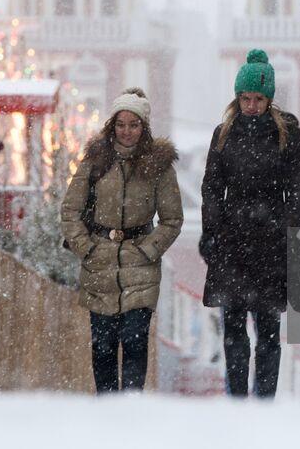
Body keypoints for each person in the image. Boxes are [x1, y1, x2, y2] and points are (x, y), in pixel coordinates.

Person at [199, 48, 300, 398]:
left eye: (258, 98)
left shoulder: (288, 135)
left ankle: (264, 401)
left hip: (271, 246)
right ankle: (236, 398)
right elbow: (212, 188)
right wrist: (212, 233)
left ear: (269, 98)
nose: (251, 105)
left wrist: (284, 229)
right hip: (232, 243)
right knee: (232, 328)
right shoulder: (224, 134)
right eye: (245, 98)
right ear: (237, 98)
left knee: (268, 330)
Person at [61, 87, 183, 394]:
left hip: (140, 266)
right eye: (121, 124)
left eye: (134, 124)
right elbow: (71, 210)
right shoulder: (95, 161)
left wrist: (147, 249)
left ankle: (130, 409)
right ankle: (106, 411)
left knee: (134, 340)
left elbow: (172, 219)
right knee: (102, 346)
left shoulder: (159, 166)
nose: (126, 131)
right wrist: (86, 248)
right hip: (99, 265)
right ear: (111, 125)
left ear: (144, 127)